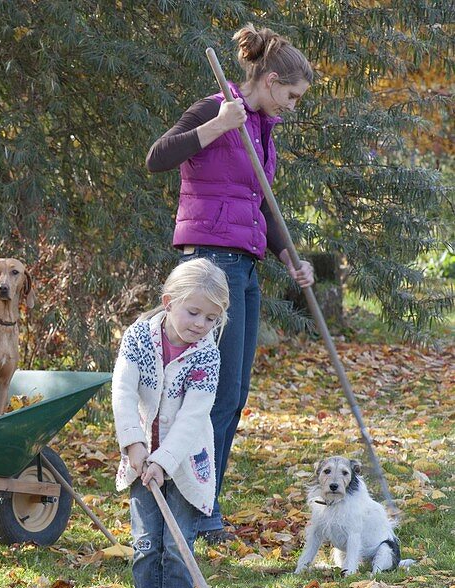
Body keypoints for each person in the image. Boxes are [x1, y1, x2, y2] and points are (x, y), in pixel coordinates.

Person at [146, 23, 317, 544]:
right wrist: (219, 125)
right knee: (210, 392)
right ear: (267, 81)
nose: (291, 105)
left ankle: (203, 504)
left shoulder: (263, 128)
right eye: (290, 95)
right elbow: (157, 158)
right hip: (210, 266)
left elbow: (260, 201)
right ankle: (193, 510)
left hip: (243, 267)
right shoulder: (215, 110)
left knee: (234, 392)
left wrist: (290, 257)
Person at [112, 258, 231, 588]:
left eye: (211, 318)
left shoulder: (206, 355)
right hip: (140, 458)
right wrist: (134, 445)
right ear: (168, 302)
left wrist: (165, 461)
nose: (201, 323)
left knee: (178, 546)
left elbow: (195, 417)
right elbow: (124, 392)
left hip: (185, 463)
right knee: (146, 544)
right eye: (193, 312)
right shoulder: (138, 340)